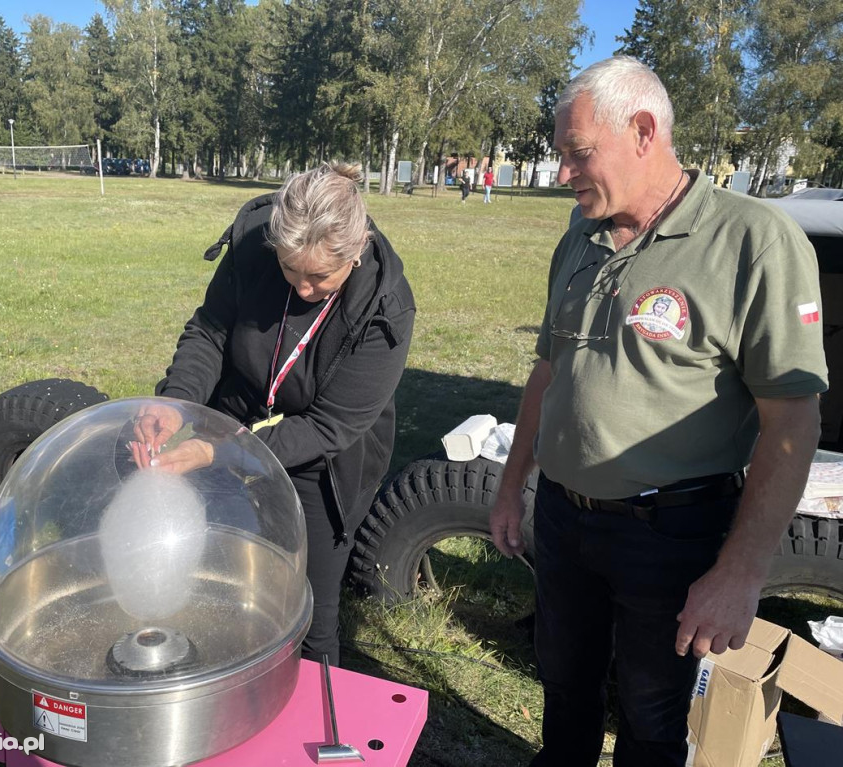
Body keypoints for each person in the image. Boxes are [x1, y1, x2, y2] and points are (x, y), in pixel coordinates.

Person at [489, 56, 827, 767]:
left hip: (668, 531)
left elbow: (792, 422)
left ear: (643, 131)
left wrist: (740, 573)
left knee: (650, 716)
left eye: (577, 154)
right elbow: (548, 368)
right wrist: (512, 480)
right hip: (563, 513)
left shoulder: (751, 242)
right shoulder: (580, 236)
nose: (561, 174)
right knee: (565, 684)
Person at [131, 163, 416, 666]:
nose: (302, 289)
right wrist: (176, 403)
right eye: (289, 269)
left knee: (309, 611)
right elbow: (211, 331)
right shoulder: (252, 246)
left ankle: (310, 711)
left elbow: (331, 426)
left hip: (319, 463)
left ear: (355, 252)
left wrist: (220, 450)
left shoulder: (385, 308)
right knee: (218, 575)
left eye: (319, 277)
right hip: (232, 419)